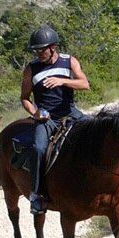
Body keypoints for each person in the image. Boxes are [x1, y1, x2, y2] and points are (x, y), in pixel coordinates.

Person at [20, 25, 89, 214]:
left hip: (70, 112)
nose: (39, 53)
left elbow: (85, 83)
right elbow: (25, 98)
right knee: (38, 148)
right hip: (46, 117)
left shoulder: (69, 61)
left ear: (53, 47)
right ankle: (36, 195)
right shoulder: (31, 69)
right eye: (36, 50)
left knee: (95, 134)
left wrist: (63, 81)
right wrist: (35, 113)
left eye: (42, 49)